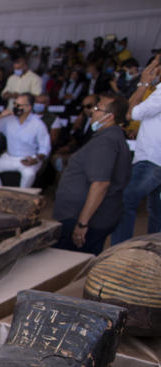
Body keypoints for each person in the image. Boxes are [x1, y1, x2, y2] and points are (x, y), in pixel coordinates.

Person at [52, 93, 131, 254]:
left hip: (86, 222)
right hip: (84, 218)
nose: (93, 111)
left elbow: (100, 184)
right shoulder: (107, 137)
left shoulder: (106, 142)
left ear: (109, 117)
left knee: (72, 267)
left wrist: (82, 223)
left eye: (97, 108)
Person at [112, 54, 161, 243]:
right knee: (156, 211)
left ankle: (119, 249)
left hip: (152, 159)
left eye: (155, 65)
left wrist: (142, 85)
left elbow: (129, 113)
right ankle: (154, 254)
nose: (150, 69)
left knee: (126, 200)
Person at [0, 93, 51, 188]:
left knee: (29, 174)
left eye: (19, 105)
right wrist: (0, 116)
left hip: (29, 158)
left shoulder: (38, 124)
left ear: (29, 107)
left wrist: (35, 159)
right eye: (15, 104)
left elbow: (45, 148)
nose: (16, 107)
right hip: (10, 157)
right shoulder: (9, 120)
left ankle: (21, 196)